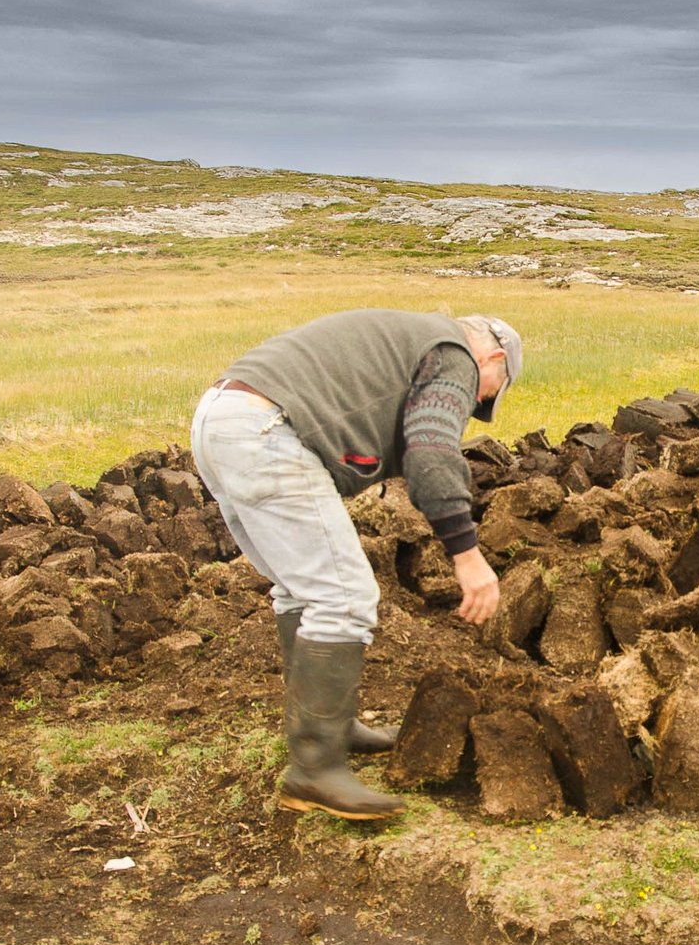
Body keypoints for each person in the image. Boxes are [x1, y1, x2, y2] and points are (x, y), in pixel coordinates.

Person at [190, 309, 522, 821]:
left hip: (223, 419)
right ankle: (314, 769)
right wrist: (467, 555)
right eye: (489, 392)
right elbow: (431, 453)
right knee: (343, 598)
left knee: (301, 589)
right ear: (494, 357)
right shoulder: (455, 356)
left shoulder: (408, 343)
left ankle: (330, 731)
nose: (476, 402)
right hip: (265, 429)